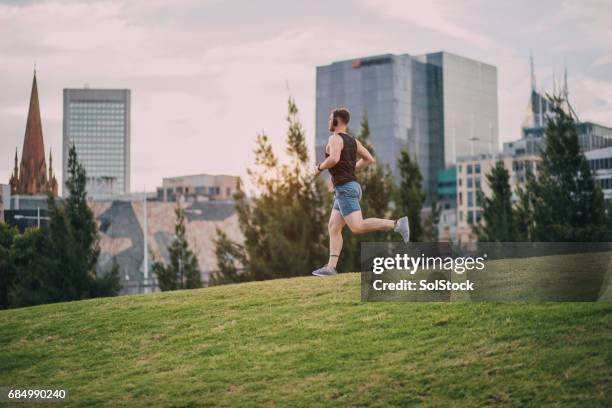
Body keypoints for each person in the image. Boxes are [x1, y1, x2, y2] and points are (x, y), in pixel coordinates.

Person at [312, 107, 410, 277]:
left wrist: (319, 168)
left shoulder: (334, 138)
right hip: (349, 186)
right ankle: (330, 267)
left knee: (357, 226)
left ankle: (397, 224)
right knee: (334, 227)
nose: (328, 122)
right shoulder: (353, 141)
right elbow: (369, 159)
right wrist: (349, 170)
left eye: (330, 119)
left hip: (345, 189)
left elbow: (334, 159)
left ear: (336, 121)